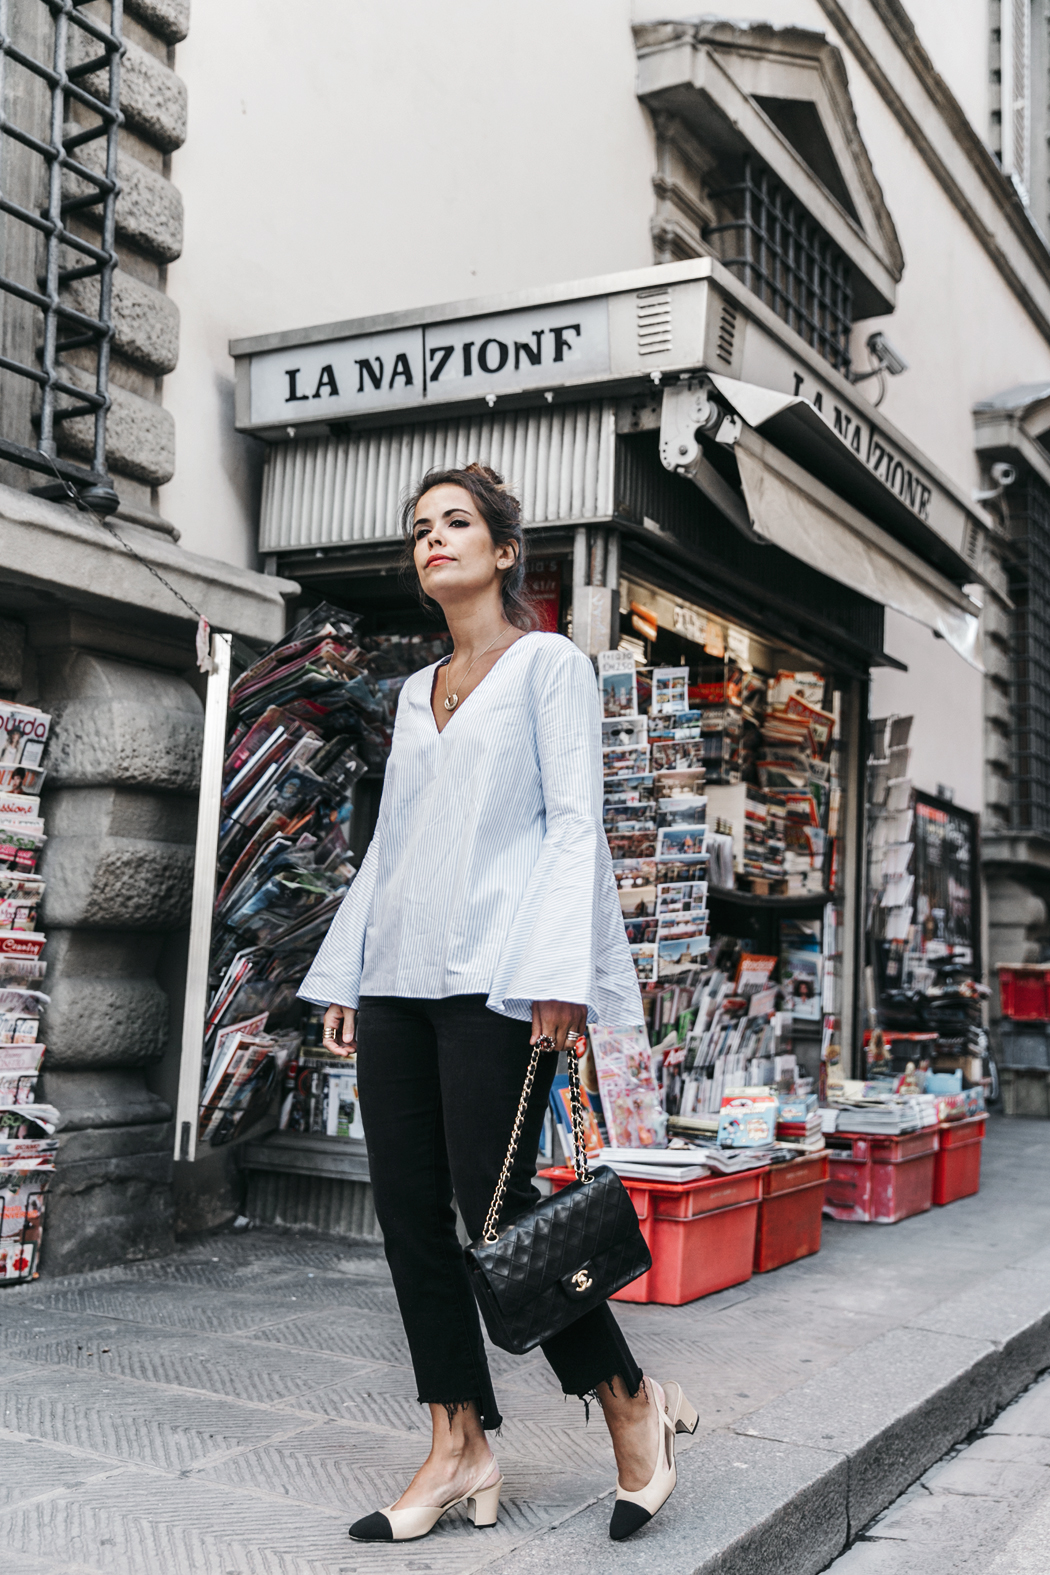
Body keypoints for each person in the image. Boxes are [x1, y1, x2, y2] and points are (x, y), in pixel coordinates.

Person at [299, 462, 695, 1546]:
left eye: (457, 523)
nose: (434, 540)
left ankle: (629, 1404)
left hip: (496, 981)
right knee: (411, 1220)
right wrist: (344, 974)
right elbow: (393, 847)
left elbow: (576, 823)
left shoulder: (547, 667)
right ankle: (457, 1440)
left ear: (506, 550)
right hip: (397, 982)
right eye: (419, 528)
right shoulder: (410, 693)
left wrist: (560, 973)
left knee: (501, 1212)